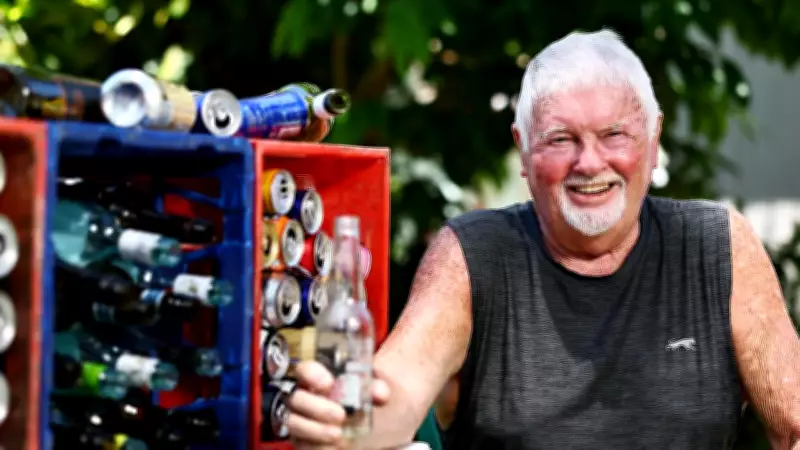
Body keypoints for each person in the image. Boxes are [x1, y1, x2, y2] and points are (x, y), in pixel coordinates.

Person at [283, 29, 800, 449]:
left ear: (654, 138)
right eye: (560, 139)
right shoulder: (475, 252)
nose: (589, 163)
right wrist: (341, 424)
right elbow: (396, 393)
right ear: (524, 152)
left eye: (614, 134)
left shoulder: (714, 244)